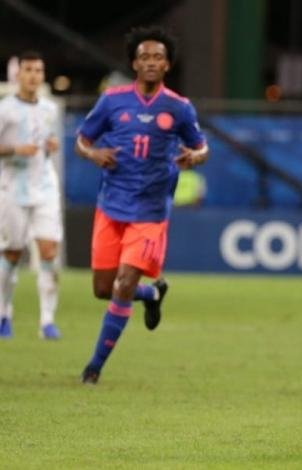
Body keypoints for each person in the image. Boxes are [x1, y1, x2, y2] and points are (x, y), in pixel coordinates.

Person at [75, 26, 209, 384]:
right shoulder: (112, 101)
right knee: (102, 289)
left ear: (167, 65)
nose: (151, 62)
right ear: (134, 64)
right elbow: (82, 140)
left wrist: (195, 157)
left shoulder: (179, 107)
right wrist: (93, 154)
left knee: (122, 285)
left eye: (158, 57)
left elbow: (202, 147)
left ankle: (93, 368)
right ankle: (150, 294)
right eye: (145, 57)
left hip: (150, 212)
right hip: (111, 205)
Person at [0, 51, 63, 340]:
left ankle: (47, 321)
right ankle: (4, 314)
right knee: (12, 253)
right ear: (18, 74)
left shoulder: (50, 108)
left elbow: (47, 140)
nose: (33, 76)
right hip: (12, 187)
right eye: (28, 70)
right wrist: (15, 149)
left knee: (49, 251)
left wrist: (52, 144)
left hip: (45, 186)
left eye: (38, 70)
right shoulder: (5, 109)